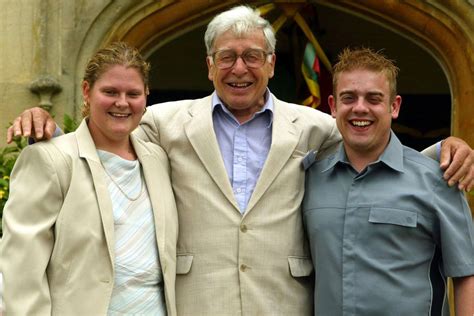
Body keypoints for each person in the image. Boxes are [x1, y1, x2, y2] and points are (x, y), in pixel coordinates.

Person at [5, 6, 474, 315]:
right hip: (197, 301)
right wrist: (44, 124)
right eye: (226, 57)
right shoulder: (164, 122)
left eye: (252, 56)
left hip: (283, 302)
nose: (239, 68)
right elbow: (105, 134)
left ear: (271, 64)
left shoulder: (312, 126)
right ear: (208, 66)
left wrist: (445, 149)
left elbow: (371, 138)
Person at [0, 42, 178, 315]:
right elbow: (20, 270)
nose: (122, 102)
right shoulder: (50, 159)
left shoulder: (158, 159)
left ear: (146, 96)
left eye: (133, 93)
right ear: (87, 91)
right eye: (110, 92)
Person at [302, 47, 474, 316]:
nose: (360, 108)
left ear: (394, 106)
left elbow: (467, 274)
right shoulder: (310, 180)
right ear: (333, 106)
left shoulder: (438, 181)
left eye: (373, 98)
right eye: (349, 98)